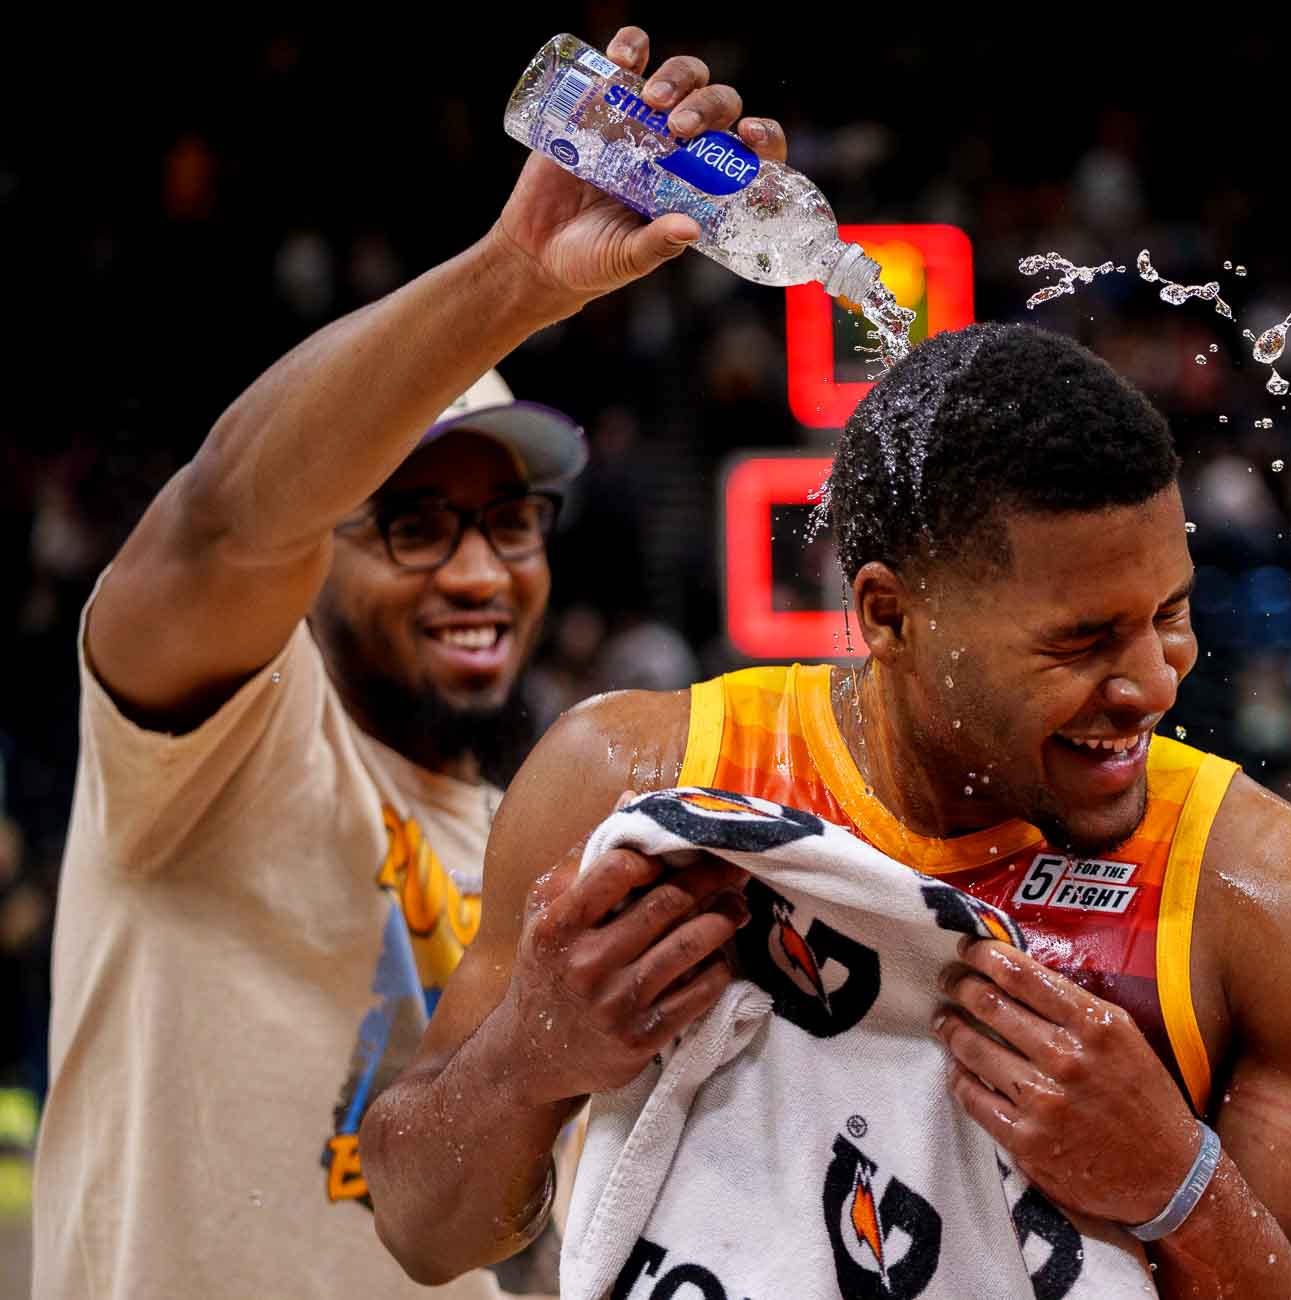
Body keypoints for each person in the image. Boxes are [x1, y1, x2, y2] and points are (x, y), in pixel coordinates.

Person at [364, 323, 1291, 1296]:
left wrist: (1178, 1184)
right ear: (886, 613)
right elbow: (423, 1230)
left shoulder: (1284, 899)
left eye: (1170, 614)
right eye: (1083, 640)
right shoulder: (635, 780)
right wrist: (531, 1054)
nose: (1154, 683)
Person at [30, 26, 785, 1298]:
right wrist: (511, 280)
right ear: (317, 549)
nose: (481, 573)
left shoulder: (527, 835)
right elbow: (227, 517)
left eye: (508, 522)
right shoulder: (213, 742)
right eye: (413, 526)